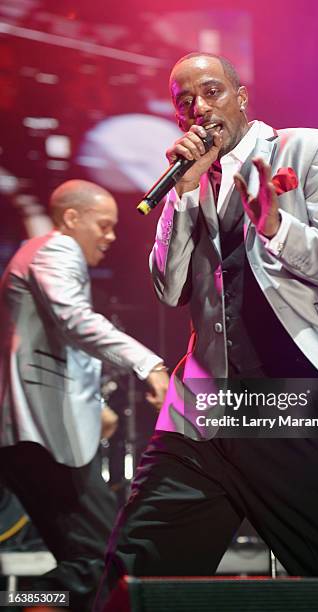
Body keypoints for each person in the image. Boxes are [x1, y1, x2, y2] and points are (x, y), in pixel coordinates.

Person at [96, 52, 318, 607]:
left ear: (241, 95)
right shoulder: (188, 176)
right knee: (133, 570)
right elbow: (169, 288)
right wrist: (183, 194)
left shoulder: (307, 148)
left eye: (212, 93)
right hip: (203, 412)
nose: (199, 110)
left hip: (287, 403)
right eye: (185, 103)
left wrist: (275, 224)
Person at [0, 179, 169, 611]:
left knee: (88, 561)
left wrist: (94, 409)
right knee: (99, 558)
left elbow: (52, 344)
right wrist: (147, 363)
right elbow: (74, 321)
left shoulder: (39, 252)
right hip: (42, 436)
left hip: (38, 434)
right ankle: (25, 604)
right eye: (104, 225)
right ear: (72, 218)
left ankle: (32, 603)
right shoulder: (58, 249)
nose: (111, 237)